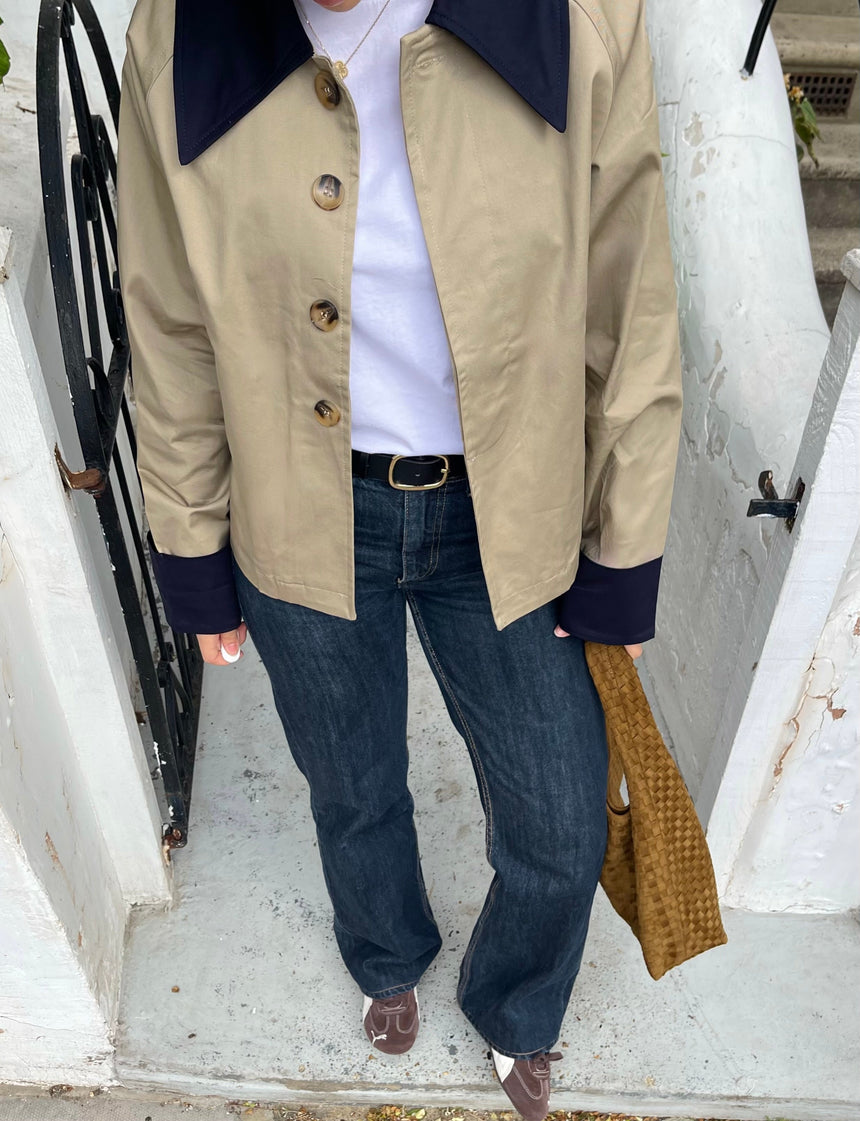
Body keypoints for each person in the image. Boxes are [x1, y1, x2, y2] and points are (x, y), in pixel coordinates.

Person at [116, 0, 683, 1116]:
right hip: (299, 504)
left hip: (509, 509)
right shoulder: (178, 32)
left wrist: (621, 550)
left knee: (563, 816)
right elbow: (169, 319)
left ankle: (517, 1001)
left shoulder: (580, 20)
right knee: (352, 780)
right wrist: (192, 544)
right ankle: (385, 952)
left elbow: (632, 300)